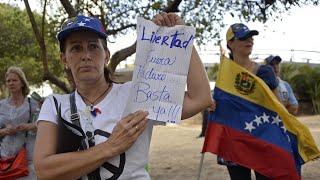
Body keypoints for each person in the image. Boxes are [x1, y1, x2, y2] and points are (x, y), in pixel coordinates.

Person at [34, 13, 213, 179]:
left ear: (106, 56)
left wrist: (182, 38)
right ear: (64, 59)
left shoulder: (136, 92)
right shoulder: (55, 104)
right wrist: (111, 147)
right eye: (76, 48)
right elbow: (44, 170)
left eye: (94, 47)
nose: (86, 55)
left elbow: (200, 99)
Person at [216, 23, 282, 180]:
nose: (249, 41)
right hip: (234, 140)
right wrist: (213, 106)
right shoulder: (224, 74)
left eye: (251, 37)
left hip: (262, 137)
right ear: (230, 43)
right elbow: (220, 104)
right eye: (243, 38)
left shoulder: (265, 72)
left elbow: (278, 106)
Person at [0, 66, 38, 179]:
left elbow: (44, 126)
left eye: (14, 80)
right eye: (8, 81)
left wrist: (29, 126)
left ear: (22, 83)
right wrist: (3, 131)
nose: (11, 83)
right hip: (5, 159)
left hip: (27, 159)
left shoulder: (33, 103)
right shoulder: (1, 105)